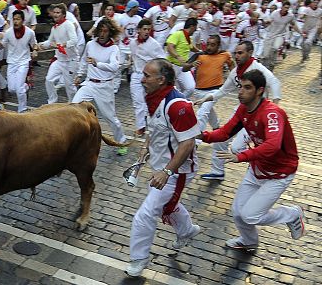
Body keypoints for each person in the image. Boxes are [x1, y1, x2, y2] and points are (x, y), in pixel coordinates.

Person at [199, 69, 306, 250]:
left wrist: (241, 156)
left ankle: (292, 214)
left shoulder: (272, 113)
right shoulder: (243, 109)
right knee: (238, 212)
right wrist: (201, 136)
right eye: (240, 87)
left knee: (250, 215)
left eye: (247, 88)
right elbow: (225, 132)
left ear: (260, 91)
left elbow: (272, 145)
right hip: (257, 169)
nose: (241, 91)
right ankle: (249, 241)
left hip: (279, 173)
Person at [126, 58, 202, 277]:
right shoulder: (155, 99)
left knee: (146, 213)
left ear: (161, 80)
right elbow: (157, 130)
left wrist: (167, 171)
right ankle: (187, 231)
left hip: (177, 171)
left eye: (147, 76)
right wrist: (145, 149)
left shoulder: (178, 105)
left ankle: (138, 259)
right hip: (163, 167)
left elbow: (188, 143)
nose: (142, 80)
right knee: (167, 205)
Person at [194, 40, 281, 180]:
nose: (237, 56)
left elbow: (275, 82)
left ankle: (257, 160)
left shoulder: (258, 68)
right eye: (235, 53)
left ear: (250, 53)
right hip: (241, 112)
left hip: (258, 115)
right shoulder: (235, 71)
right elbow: (223, 91)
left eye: (240, 53)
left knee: (236, 148)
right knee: (221, 138)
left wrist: (276, 105)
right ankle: (218, 171)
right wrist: (207, 98)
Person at [72, 18, 127, 144]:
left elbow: (114, 67)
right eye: (100, 31)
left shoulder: (114, 49)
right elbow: (84, 61)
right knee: (74, 106)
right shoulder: (90, 44)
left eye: (105, 31)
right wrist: (80, 75)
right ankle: (80, 136)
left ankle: (121, 141)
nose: (102, 34)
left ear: (110, 33)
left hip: (105, 86)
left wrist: (98, 64)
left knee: (110, 118)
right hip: (89, 83)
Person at [191, 34, 234, 138]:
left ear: (218, 46)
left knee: (202, 113)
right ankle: (216, 128)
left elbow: (233, 67)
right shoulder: (199, 55)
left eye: (213, 45)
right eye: (208, 44)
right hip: (198, 91)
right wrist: (191, 65)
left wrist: (234, 79)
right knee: (208, 112)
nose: (209, 47)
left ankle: (196, 141)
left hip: (215, 91)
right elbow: (184, 68)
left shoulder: (225, 55)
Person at [130, 19, 166, 137]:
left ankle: (153, 124)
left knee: (150, 100)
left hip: (149, 76)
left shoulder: (154, 44)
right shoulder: (132, 43)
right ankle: (140, 127)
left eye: (149, 29)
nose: (146, 32)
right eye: (144, 29)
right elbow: (132, 56)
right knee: (138, 101)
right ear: (139, 30)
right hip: (136, 74)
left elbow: (162, 59)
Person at [0, 10, 37, 112]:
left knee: (19, 89)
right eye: (14, 19)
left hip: (23, 62)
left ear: (23, 20)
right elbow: (3, 45)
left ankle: (22, 109)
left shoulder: (30, 32)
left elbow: (34, 44)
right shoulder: (8, 32)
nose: (15, 21)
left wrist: (35, 50)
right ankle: (27, 86)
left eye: (18, 19)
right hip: (12, 62)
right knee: (11, 89)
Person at [39, 4, 77, 104]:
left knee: (69, 86)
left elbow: (74, 40)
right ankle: (52, 101)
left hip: (70, 61)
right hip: (59, 60)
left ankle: (73, 104)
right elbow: (49, 42)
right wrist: (41, 45)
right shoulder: (54, 28)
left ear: (63, 15)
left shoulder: (68, 24)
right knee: (49, 79)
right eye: (54, 12)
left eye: (58, 13)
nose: (55, 15)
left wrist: (62, 45)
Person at [261, 3, 301, 70]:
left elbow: (293, 25)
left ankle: (272, 64)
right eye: (285, 7)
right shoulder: (275, 13)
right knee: (265, 55)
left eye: (287, 8)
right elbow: (269, 21)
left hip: (281, 35)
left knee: (275, 47)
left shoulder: (290, 16)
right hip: (270, 34)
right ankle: (263, 67)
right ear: (282, 7)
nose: (286, 9)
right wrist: (266, 23)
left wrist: (300, 32)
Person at [165, 17, 198, 97]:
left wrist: (201, 52)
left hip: (184, 67)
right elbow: (170, 47)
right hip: (172, 67)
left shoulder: (189, 38)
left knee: (190, 87)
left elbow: (192, 48)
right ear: (192, 27)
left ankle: (180, 101)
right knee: (172, 89)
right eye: (195, 28)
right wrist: (177, 56)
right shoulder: (178, 34)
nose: (196, 30)